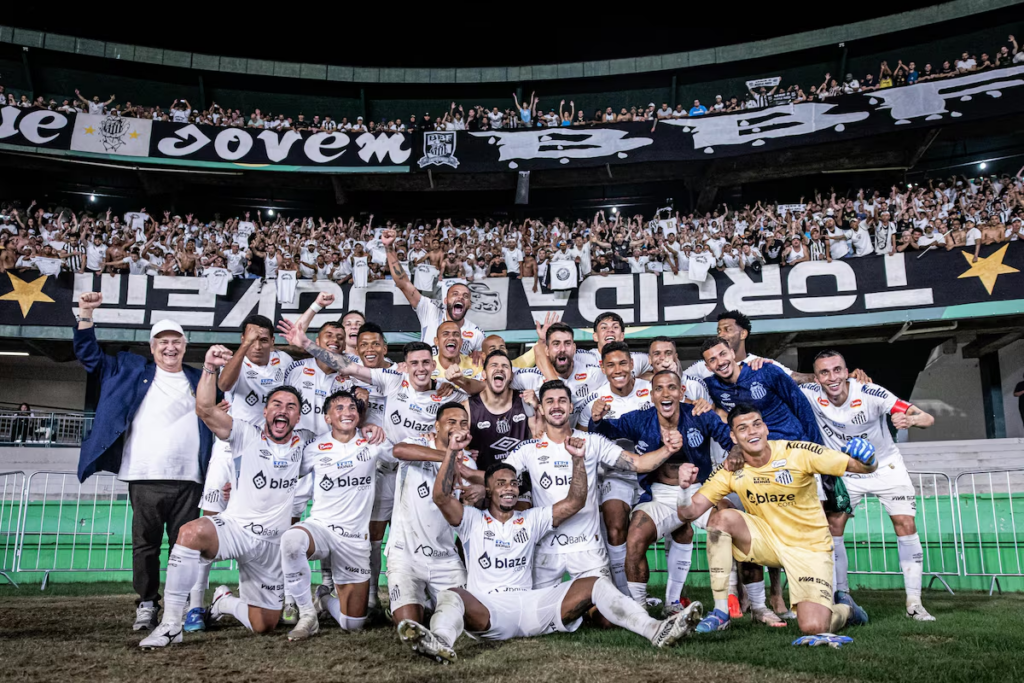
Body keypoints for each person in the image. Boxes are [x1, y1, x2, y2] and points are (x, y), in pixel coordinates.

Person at [396, 431, 702, 664]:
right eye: (501, 483)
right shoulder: (472, 520)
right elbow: (440, 497)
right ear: (488, 489)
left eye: (514, 483)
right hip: (489, 611)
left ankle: (655, 630)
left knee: (595, 583)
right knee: (452, 596)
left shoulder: (532, 519)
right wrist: (451, 450)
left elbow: (575, 502)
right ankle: (440, 641)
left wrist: (578, 460)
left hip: (531, 607)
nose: (509, 487)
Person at [139, 346, 315, 648]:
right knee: (190, 532)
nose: (282, 410)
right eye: (276, 404)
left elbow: (342, 442)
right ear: (266, 411)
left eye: (290, 406)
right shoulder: (245, 432)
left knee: (264, 625)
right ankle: (171, 625)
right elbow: (205, 409)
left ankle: (222, 601)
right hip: (237, 529)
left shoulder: (307, 445)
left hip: (273, 545)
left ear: (298, 416)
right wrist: (210, 367)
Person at [74, 292, 219, 632]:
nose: (170, 348)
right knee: (146, 546)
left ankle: (180, 605)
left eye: (177, 342)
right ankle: (147, 603)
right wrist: (85, 314)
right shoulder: (128, 369)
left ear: (185, 345)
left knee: (185, 549)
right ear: (152, 347)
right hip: (145, 475)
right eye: (163, 342)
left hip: (191, 477)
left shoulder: (200, 378)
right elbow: (89, 356)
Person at [676, 404, 876, 641]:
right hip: (768, 540)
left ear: (766, 428)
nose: (752, 432)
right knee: (721, 519)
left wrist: (869, 458)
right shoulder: (731, 469)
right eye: (743, 428)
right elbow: (688, 513)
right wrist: (683, 489)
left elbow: (861, 466)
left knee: (814, 627)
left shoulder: (798, 452)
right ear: (733, 436)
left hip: (809, 548)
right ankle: (721, 611)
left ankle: (848, 610)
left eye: (756, 424)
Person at [498, 380, 682, 590]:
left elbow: (638, 463)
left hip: (588, 548)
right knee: (540, 619)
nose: (556, 406)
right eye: (549, 401)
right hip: (547, 550)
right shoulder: (528, 448)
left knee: (604, 618)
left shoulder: (592, 441)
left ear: (571, 407)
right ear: (541, 408)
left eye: (562, 401)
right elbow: (497, 476)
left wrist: (668, 449)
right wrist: (464, 470)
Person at [801, 350, 937, 621]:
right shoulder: (809, 393)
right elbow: (780, 378)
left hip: (885, 466)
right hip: (845, 470)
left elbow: (926, 418)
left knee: (905, 524)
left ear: (847, 371)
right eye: (824, 372)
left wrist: (910, 420)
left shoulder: (871, 393)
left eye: (837, 370)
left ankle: (914, 603)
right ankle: (842, 596)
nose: (832, 377)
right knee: (833, 526)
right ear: (816, 378)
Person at [590, 370, 735, 616]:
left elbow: (731, 443)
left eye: (671, 387)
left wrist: (728, 471)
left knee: (730, 522)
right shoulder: (640, 419)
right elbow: (606, 430)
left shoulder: (699, 415)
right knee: (635, 537)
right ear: (652, 395)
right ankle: (638, 609)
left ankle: (732, 599)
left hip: (700, 492)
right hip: (659, 495)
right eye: (659, 388)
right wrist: (597, 417)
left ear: (681, 392)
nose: (665, 393)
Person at [185, 314, 293, 631]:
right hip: (230, 445)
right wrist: (243, 347)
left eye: (262, 339)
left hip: (266, 455)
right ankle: (195, 607)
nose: (256, 345)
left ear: (272, 341)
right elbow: (223, 385)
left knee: (275, 526)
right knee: (210, 519)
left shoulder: (283, 360)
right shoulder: (235, 361)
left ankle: (274, 599)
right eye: (249, 337)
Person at [280, 390, 388, 640]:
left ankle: (324, 598)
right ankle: (308, 615)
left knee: (353, 624)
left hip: (354, 540)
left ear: (359, 415)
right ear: (327, 418)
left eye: (351, 407)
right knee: (291, 541)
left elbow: (402, 452)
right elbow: (285, 476)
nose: (347, 412)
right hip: (322, 529)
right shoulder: (315, 447)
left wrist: (435, 446)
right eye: (338, 408)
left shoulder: (372, 441)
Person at [576, 342, 652, 594]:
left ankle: (671, 599)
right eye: (610, 365)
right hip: (615, 473)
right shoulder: (594, 401)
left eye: (622, 363)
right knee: (615, 525)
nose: (617, 369)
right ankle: (623, 595)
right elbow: (586, 443)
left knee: (661, 533)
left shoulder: (652, 390)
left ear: (631, 365)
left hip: (652, 471)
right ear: (603, 368)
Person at [383, 229, 484, 359]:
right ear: (445, 300)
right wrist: (389, 248)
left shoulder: (476, 333)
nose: (460, 297)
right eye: (455, 294)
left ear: (469, 304)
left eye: (465, 296)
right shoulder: (429, 309)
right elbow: (403, 283)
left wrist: (482, 354)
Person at [575, 311, 652, 375]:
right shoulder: (583, 357)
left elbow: (659, 368)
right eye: (604, 328)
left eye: (615, 327)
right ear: (595, 336)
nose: (610, 330)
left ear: (622, 336)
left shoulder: (638, 359)